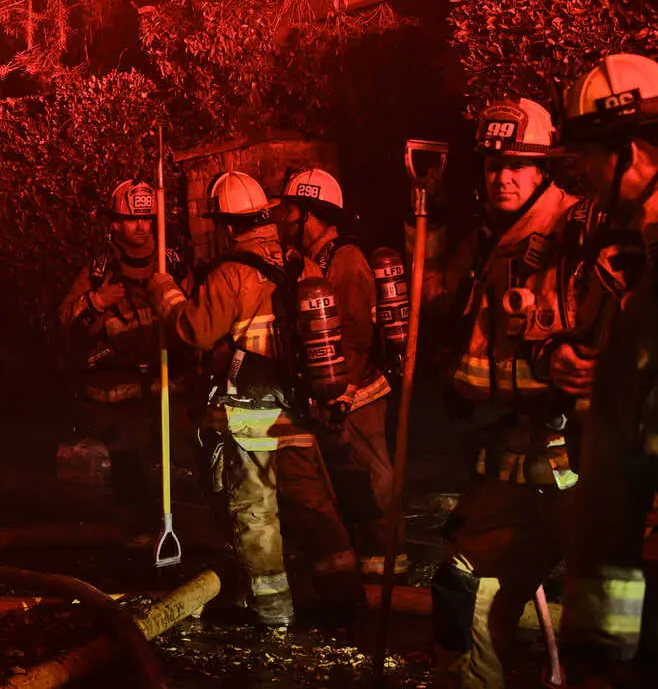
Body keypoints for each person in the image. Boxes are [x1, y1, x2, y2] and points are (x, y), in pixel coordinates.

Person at [420, 98, 595, 689]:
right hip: (511, 463)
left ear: (544, 168)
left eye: (518, 163)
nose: (503, 176)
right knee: (461, 585)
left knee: (619, 623)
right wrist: (429, 215)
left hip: (580, 465)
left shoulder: (578, 235)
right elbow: (435, 303)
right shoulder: (485, 245)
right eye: (494, 162)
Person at [148, 171, 361, 627]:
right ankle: (347, 602)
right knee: (313, 506)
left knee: (256, 520)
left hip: (248, 419)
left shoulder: (231, 273)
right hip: (296, 412)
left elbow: (193, 330)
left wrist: (163, 292)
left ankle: (274, 618)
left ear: (225, 225)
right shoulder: (298, 261)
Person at [550, 54, 658, 686]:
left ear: (628, 150)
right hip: (636, 518)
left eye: (587, 155)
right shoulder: (642, 232)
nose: (578, 172)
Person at [278, 168, 402, 582]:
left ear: (310, 213)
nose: (285, 219)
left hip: (358, 393)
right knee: (349, 481)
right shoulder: (312, 260)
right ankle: (366, 565)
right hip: (333, 394)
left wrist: (342, 390)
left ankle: (387, 568)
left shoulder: (346, 260)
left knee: (371, 479)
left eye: (291, 211)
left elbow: (356, 332)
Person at [57, 179, 186, 510]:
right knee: (130, 472)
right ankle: (139, 535)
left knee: (179, 470)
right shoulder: (99, 272)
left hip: (169, 392)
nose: (142, 226)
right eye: (133, 219)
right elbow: (65, 324)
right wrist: (95, 302)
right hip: (118, 397)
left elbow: (194, 322)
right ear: (115, 224)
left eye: (147, 218)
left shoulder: (172, 266)